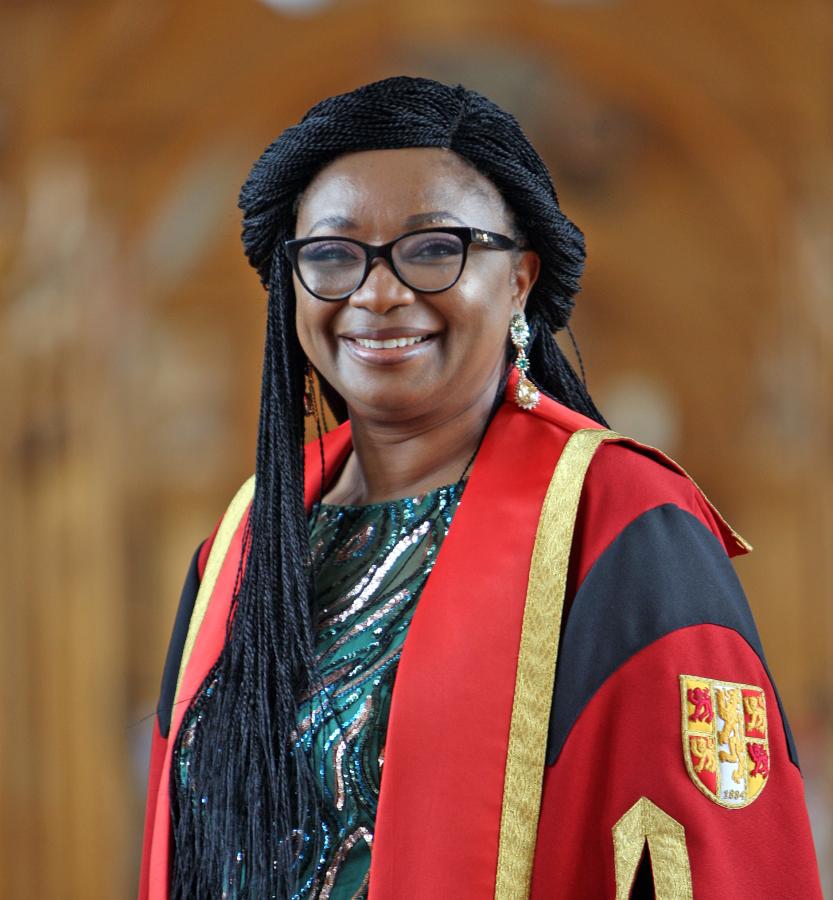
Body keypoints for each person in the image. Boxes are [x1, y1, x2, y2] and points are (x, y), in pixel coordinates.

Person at [138, 76, 822, 900]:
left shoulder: (622, 523)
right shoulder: (246, 541)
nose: (377, 291)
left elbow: (712, 861)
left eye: (433, 248)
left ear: (519, 279)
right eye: (330, 254)